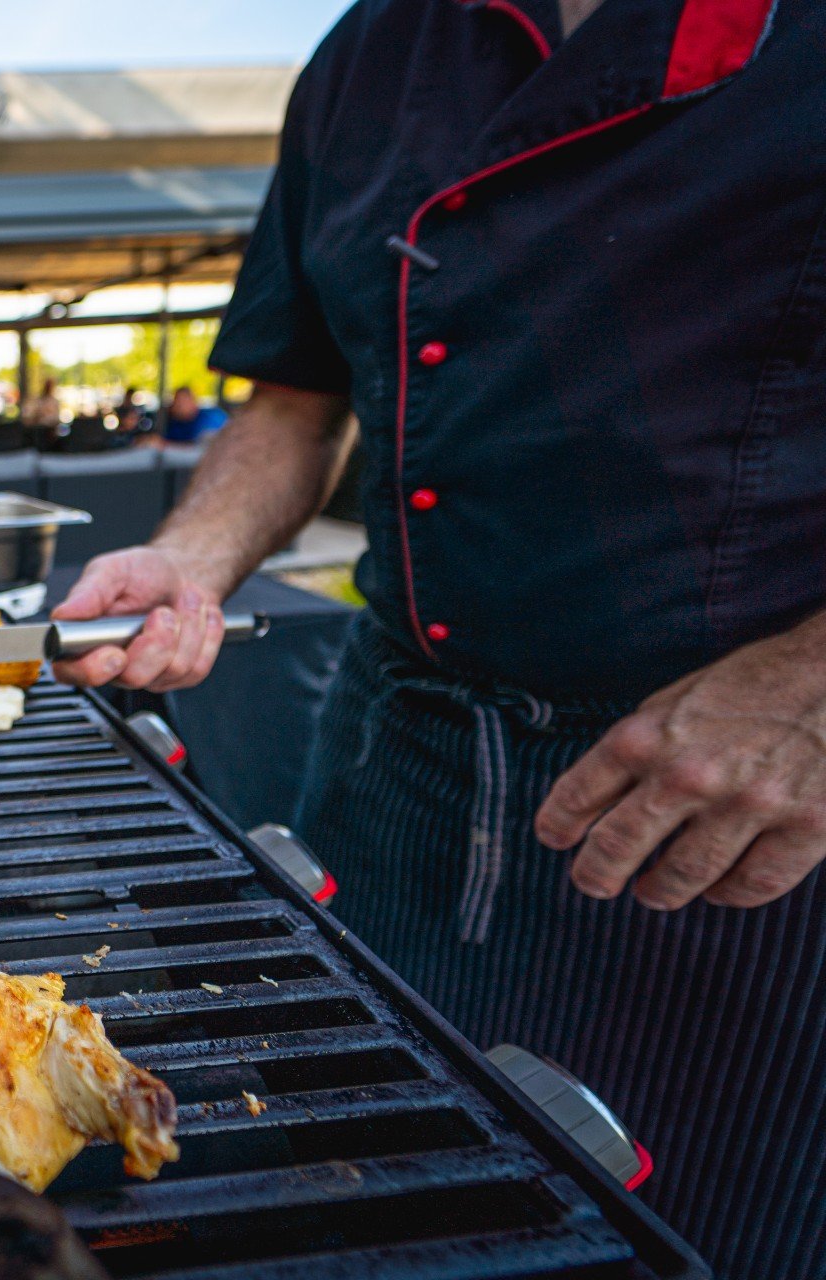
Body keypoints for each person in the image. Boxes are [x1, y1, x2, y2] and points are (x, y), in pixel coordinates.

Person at [49, 2, 825, 1276]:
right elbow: (296, 403)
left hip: (743, 812)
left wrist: (812, 692)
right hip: (399, 760)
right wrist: (188, 561)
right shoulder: (370, 51)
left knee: (693, 1235)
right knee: (356, 1186)